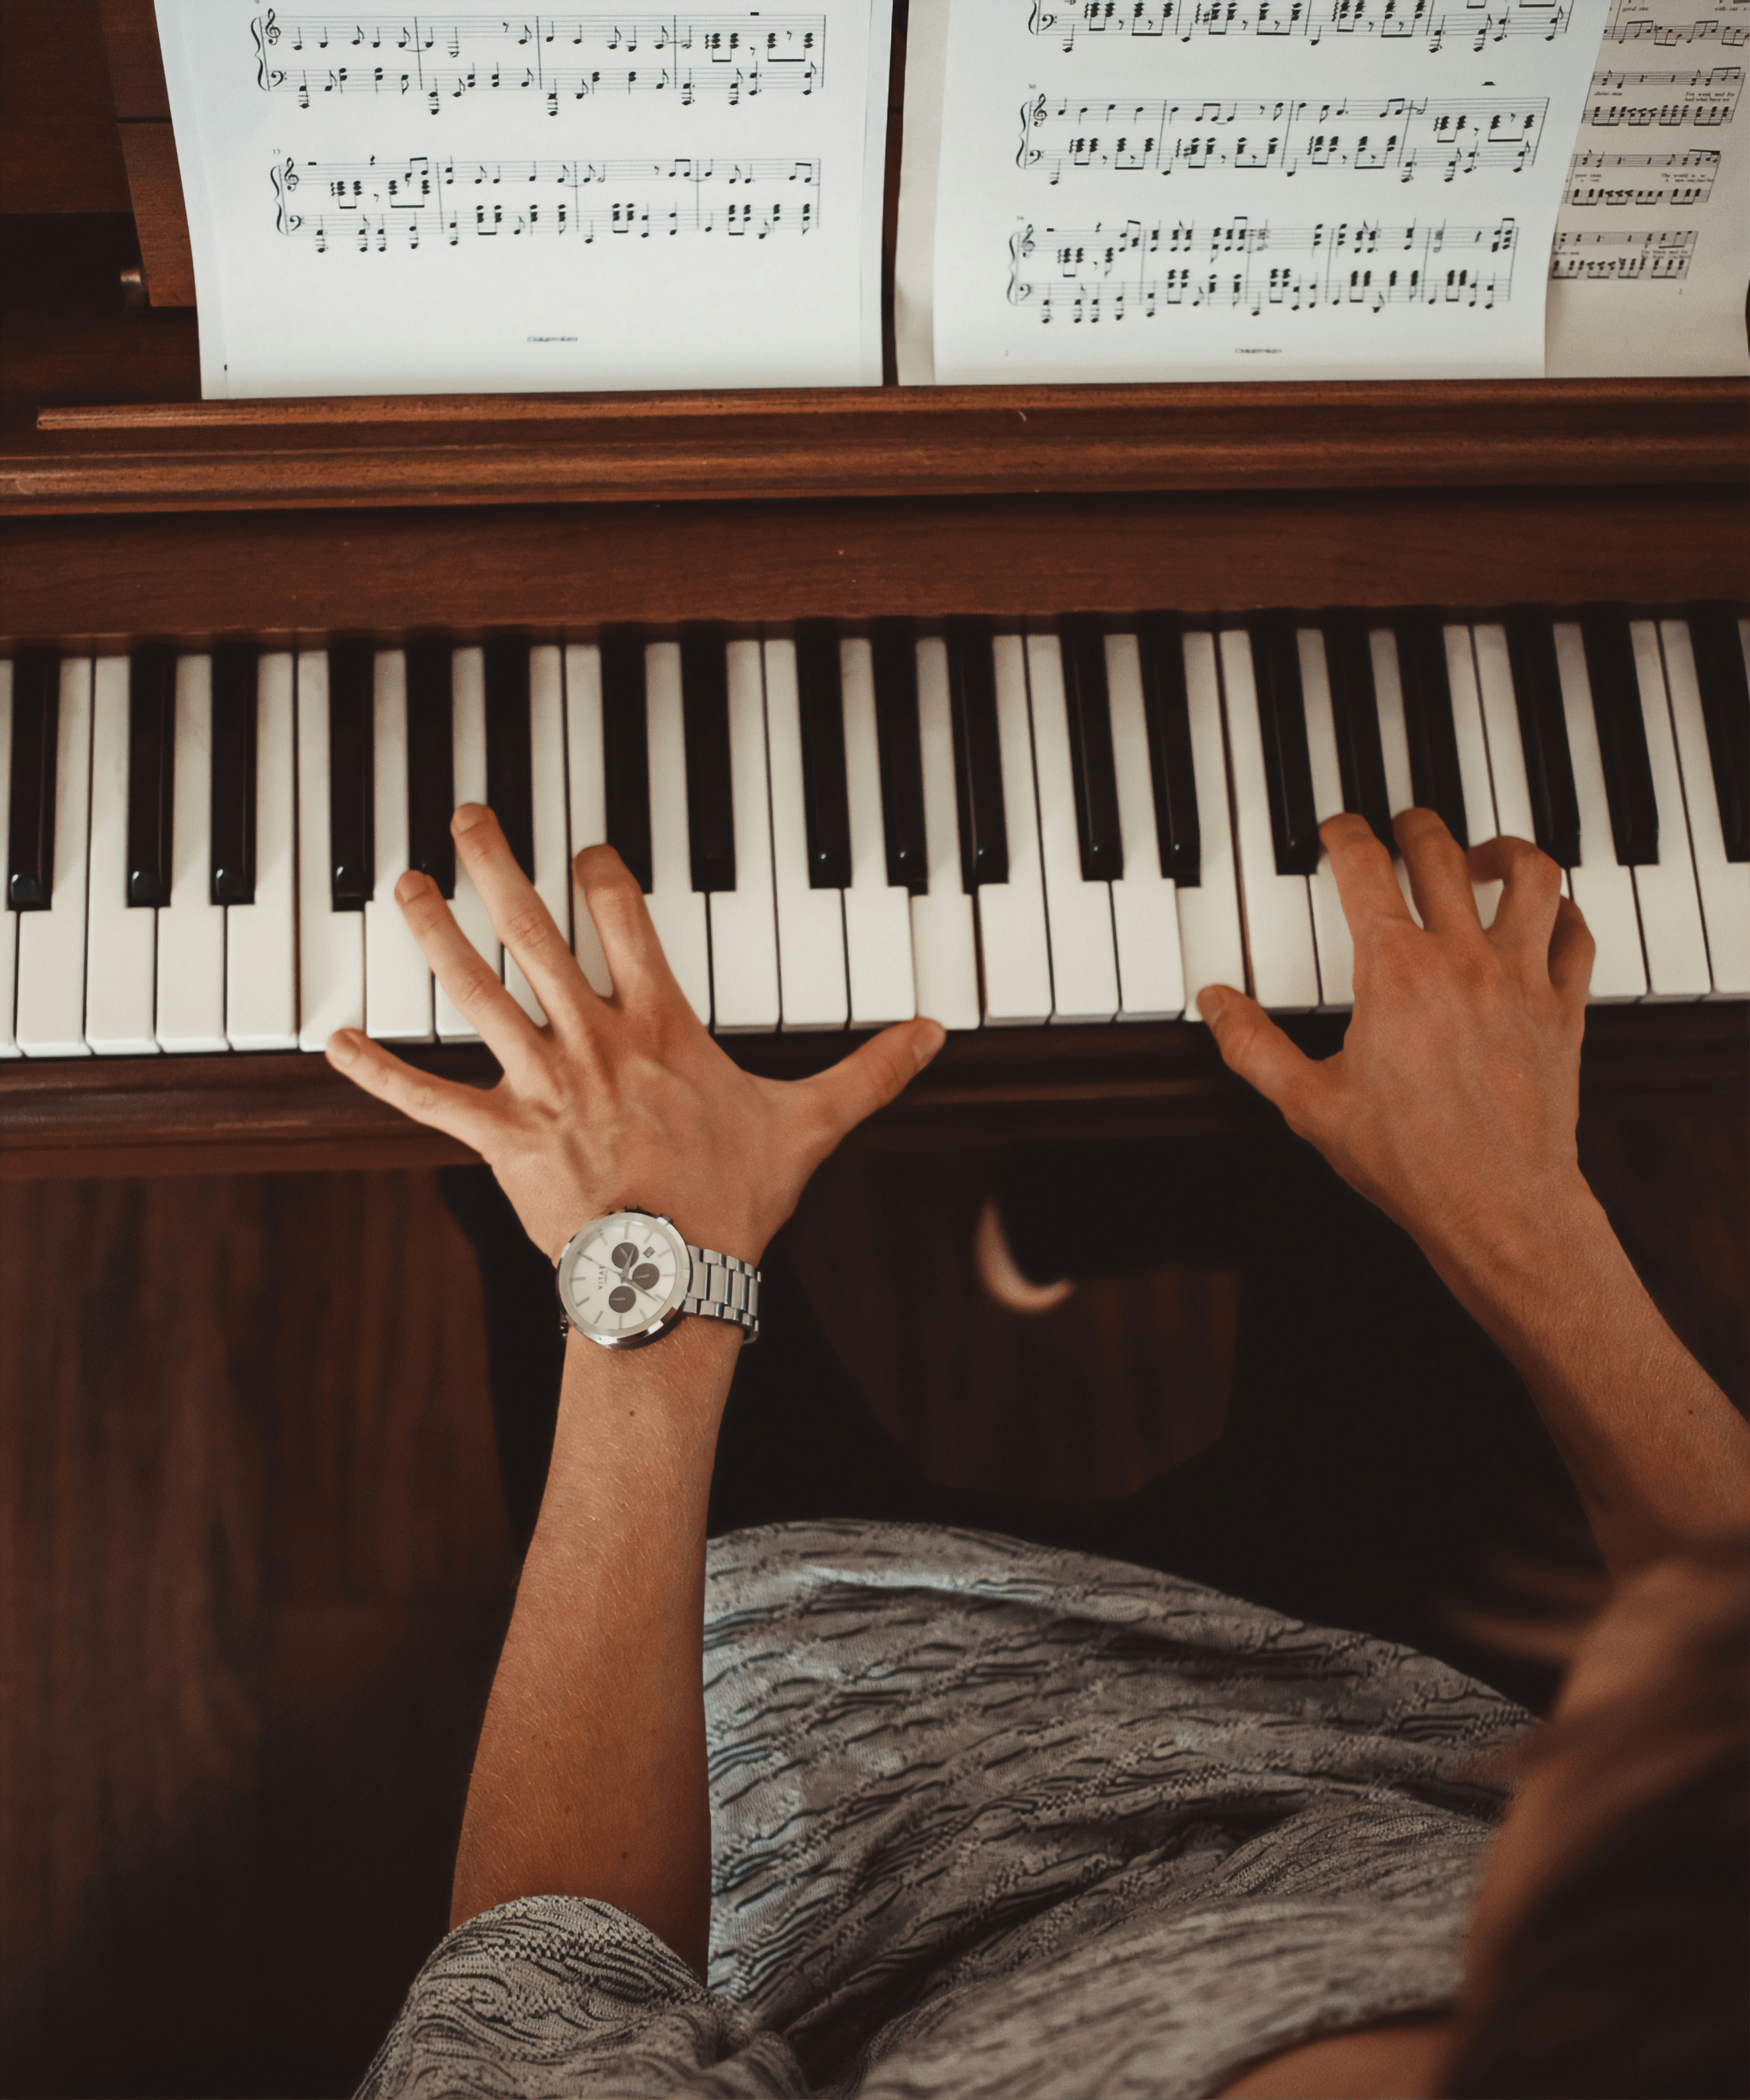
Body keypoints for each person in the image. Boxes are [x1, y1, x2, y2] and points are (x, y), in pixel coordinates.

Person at [329, 801, 1749, 2100]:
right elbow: (1714, 1638)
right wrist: (1524, 1215)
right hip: (1385, 1689)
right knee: (1329, 989)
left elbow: (540, 2009)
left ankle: (1080, 1197)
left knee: (524, 1067)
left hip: (826, 1750)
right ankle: (1089, 1200)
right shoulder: (1675, 1836)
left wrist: (648, 1263)